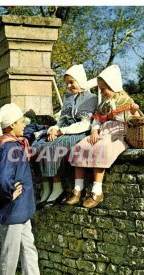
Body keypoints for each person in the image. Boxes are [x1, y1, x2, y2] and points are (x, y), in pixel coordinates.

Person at [0, 103, 50, 275]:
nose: (24, 124)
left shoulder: (17, 140)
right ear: (12, 124)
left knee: (28, 246)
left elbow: (30, 129)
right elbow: (2, 178)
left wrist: (48, 128)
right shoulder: (8, 148)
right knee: (10, 250)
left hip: (22, 208)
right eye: (21, 121)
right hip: (12, 207)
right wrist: (9, 194)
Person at [65, 64, 140, 208]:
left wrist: (134, 112)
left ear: (113, 86)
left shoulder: (126, 102)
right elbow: (97, 120)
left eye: (103, 89)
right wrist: (94, 131)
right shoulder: (104, 104)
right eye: (100, 89)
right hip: (102, 132)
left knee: (101, 148)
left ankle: (96, 191)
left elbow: (133, 121)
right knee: (80, 146)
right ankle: (77, 188)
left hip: (117, 134)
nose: (102, 92)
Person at [31, 64, 98, 208]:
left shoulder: (90, 98)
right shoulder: (68, 97)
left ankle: (57, 187)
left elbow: (85, 124)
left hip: (78, 132)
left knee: (52, 147)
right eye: (67, 83)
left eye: (71, 82)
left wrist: (61, 132)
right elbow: (61, 120)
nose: (69, 86)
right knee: (38, 144)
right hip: (64, 130)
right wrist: (54, 129)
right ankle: (46, 186)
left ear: (80, 80)